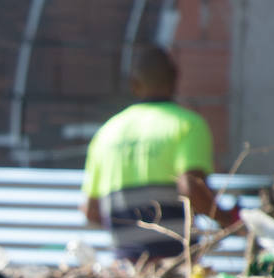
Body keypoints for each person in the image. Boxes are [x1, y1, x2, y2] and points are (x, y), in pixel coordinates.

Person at [80, 45, 241, 262]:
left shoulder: (107, 132)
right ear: (175, 78)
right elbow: (191, 188)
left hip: (127, 268)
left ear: (134, 84)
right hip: (175, 264)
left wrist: (132, 232)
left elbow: (91, 211)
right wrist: (231, 222)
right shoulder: (187, 124)